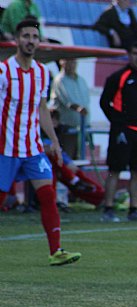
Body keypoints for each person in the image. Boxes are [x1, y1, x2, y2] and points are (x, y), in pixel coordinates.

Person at [0, 19, 81, 266]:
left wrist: (54, 141)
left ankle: (56, 251)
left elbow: (42, 108)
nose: (31, 41)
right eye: (26, 36)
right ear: (16, 40)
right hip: (6, 149)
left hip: (34, 148)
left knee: (48, 195)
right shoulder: (3, 71)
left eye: (35, 36)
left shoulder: (42, 72)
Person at [99, 41, 137, 223]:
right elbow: (104, 102)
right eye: (135, 53)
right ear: (129, 55)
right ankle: (108, 208)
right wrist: (118, 123)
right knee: (114, 169)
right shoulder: (119, 77)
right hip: (122, 131)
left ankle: (134, 209)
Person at [43, 109, 105, 209]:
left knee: (75, 174)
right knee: (58, 167)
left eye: (55, 120)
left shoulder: (60, 131)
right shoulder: (37, 132)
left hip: (62, 166)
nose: (52, 123)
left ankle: (101, 195)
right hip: (49, 165)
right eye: (50, 119)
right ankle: (100, 195)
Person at [50, 58, 91, 160]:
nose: (72, 64)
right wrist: (79, 109)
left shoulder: (81, 80)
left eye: (73, 61)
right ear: (61, 62)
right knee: (67, 161)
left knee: (80, 160)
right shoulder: (60, 80)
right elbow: (68, 101)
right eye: (68, 61)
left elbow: (86, 101)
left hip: (81, 129)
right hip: (66, 129)